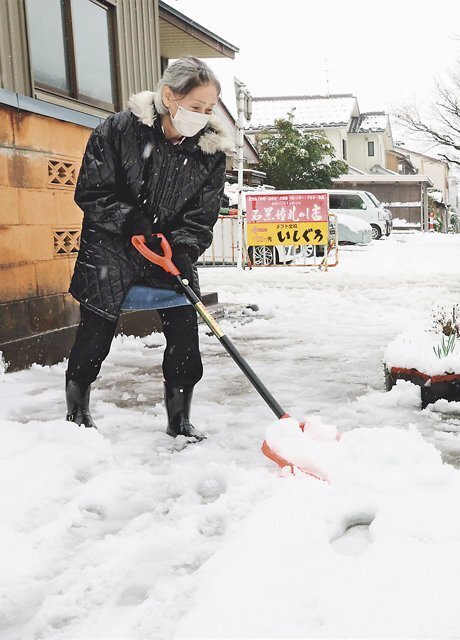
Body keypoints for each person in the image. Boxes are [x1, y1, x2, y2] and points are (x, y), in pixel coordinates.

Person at [65, 56, 233, 440]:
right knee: (95, 332)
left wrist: (184, 248)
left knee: (185, 334)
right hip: (111, 248)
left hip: (169, 250)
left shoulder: (210, 151)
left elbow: (203, 212)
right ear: (169, 96)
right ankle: (77, 411)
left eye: (209, 109)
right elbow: (92, 191)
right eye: (195, 107)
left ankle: (180, 420)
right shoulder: (119, 131)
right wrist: (131, 221)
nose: (203, 116)